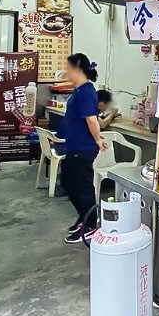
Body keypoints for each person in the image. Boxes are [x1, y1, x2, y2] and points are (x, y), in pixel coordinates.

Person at [59, 53, 108, 244]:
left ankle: (91, 226)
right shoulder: (79, 91)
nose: (66, 72)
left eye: (69, 69)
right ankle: (84, 217)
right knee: (68, 182)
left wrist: (97, 140)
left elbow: (92, 120)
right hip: (74, 145)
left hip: (83, 147)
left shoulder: (87, 91)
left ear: (78, 70)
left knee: (83, 186)